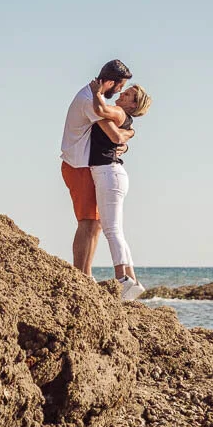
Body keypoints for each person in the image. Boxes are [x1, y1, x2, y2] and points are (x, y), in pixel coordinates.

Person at [60, 59, 134, 276]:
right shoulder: (90, 101)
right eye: (120, 86)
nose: (121, 91)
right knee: (87, 222)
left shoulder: (93, 97)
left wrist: (126, 141)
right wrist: (130, 135)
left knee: (95, 223)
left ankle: (86, 274)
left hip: (84, 165)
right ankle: (81, 275)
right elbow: (115, 136)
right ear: (111, 82)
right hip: (79, 166)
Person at [88, 78, 152, 301]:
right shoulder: (126, 119)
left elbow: (100, 109)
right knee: (116, 230)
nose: (122, 94)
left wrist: (96, 92)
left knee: (111, 230)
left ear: (133, 105)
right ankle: (132, 280)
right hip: (113, 173)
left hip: (107, 172)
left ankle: (122, 280)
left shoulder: (117, 111)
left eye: (128, 95)